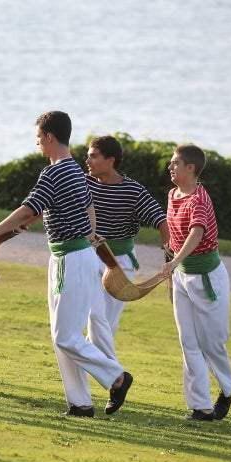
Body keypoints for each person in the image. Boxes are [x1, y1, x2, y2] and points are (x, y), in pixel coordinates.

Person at [0, 111, 133, 418]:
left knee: (65, 336)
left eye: (38, 139)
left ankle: (117, 378)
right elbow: (82, 210)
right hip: (70, 256)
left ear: (49, 137)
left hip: (70, 258)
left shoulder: (55, 172)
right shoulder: (73, 170)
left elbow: (28, 208)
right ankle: (80, 403)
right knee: (63, 336)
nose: (37, 145)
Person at [160, 144, 231, 421]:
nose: (170, 167)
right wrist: (170, 259)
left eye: (175, 163)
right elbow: (176, 235)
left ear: (190, 168)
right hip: (182, 275)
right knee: (188, 341)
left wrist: (174, 261)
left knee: (212, 343)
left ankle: (227, 389)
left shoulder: (198, 199)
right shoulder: (173, 194)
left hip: (207, 277)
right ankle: (201, 406)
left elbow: (196, 233)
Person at [85, 135, 170, 360]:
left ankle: (101, 372)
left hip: (120, 262)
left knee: (107, 326)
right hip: (89, 257)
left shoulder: (133, 191)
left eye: (93, 156)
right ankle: (115, 378)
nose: (88, 161)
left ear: (111, 160)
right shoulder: (84, 183)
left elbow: (160, 220)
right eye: (88, 156)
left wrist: (169, 256)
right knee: (96, 317)